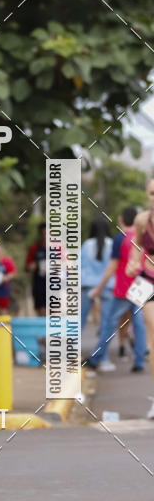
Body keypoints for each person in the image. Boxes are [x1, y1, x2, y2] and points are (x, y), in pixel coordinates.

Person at [87, 206, 146, 375]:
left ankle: (96, 358)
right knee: (139, 325)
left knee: (109, 324)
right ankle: (139, 361)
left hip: (123, 287)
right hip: (141, 285)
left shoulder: (120, 239)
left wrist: (99, 287)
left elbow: (112, 266)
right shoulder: (143, 238)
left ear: (121, 219)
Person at [127, 178, 154, 417]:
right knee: (153, 338)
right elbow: (137, 244)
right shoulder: (142, 220)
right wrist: (133, 261)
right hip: (149, 280)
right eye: (152, 193)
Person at [80, 216, 114, 334]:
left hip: (88, 286)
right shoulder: (112, 244)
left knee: (80, 320)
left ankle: (71, 348)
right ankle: (102, 352)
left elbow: (78, 266)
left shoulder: (86, 245)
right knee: (106, 322)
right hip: (108, 286)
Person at [25, 223, 47, 316]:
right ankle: (43, 329)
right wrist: (33, 266)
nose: (45, 236)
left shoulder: (58, 248)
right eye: (43, 234)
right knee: (41, 309)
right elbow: (26, 267)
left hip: (55, 283)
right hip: (39, 283)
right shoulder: (34, 248)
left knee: (54, 310)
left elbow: (66, 263)